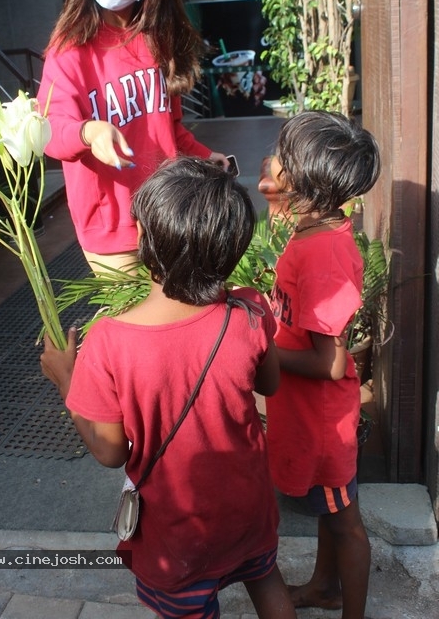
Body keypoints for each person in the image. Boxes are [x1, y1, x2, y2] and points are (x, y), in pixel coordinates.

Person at [40, 156, 296, 619]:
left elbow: (110, 451)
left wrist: (66, 379)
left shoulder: (109, 342)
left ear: (143, 239)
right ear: (232, 246)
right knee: (265, 578)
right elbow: (270, 384)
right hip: (248, 506)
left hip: (177, 535)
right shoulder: (250, 311)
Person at [36, 0, 228, 272]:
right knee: (133, 325)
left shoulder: (157, 39)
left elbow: (168, 131)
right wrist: (90, 131)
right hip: (111, 228)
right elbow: (51, 130)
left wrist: (205, 156)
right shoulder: (71, 49)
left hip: (168, 215)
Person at [265, 110, 381, 619]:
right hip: (305, 413)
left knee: (346, 524)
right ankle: (322, 587)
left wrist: (263, 351)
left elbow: (331, 362)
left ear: (305, 179)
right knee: (327, 510)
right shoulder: (314, 229)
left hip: (322, 422)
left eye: (283, 157)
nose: (275, 164)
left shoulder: (325, 254)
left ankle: (350, 609)